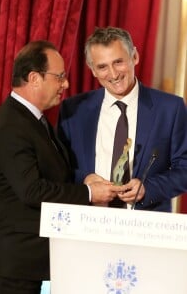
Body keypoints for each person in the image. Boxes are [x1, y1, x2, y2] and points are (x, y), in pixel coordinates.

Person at [0, 40, 125, 294]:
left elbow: (52, 178)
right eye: (60, 77)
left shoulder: (33, 120)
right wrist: (88, 194)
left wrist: (86, 182)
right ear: (34, 78)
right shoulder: (13, 125)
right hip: (7, 267)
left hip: (25, 264)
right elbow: (32, 190)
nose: (66, 84)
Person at [58, 26, 187, 211]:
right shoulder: (74, 110)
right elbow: (58, 167)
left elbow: (184, 169)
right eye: (102, 66)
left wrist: (147, 188)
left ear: (134, 56)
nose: (113, 74)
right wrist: (85, 180)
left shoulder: (170, 108)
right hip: (87, 222)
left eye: (118, 62)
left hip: (147, 225)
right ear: (92, 70)